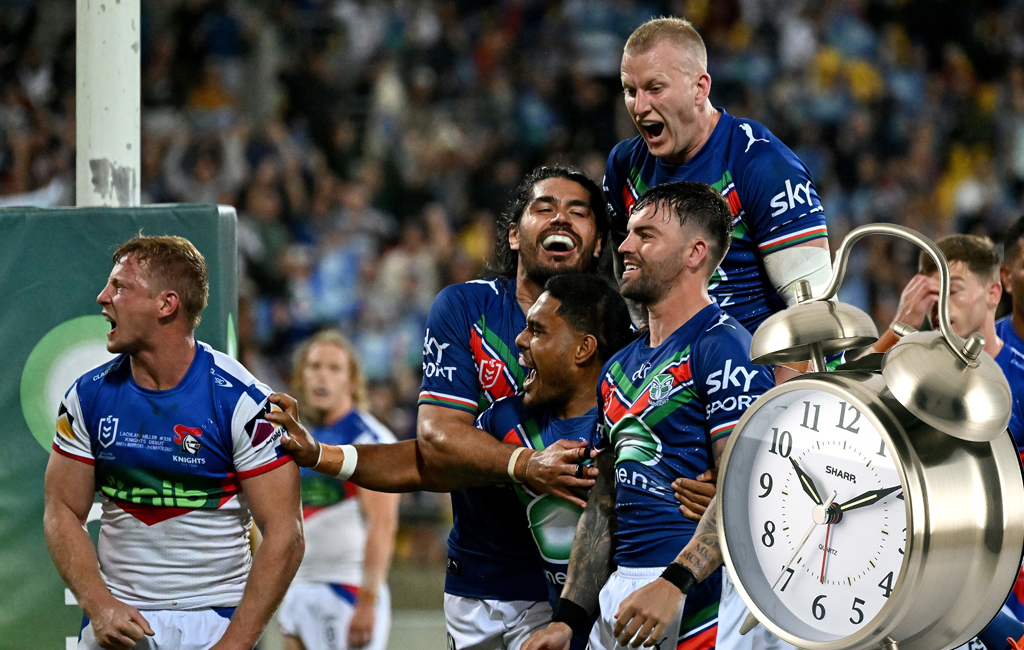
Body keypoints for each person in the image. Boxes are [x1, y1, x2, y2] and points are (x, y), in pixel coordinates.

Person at [268, 164, 610, 649]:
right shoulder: (471, 318)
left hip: (584, 588)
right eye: (544, 208)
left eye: (578, 212)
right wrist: (321, 453)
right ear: (513, 235)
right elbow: (430, 453)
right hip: (483, 581)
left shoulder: (626, 332)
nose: (560, 219)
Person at [523, 182, 775, 650]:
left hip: (698, 595)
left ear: (694, 253)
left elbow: (746, 486)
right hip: (623, 596)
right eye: (628, 233)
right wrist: (569, 619)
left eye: (646, 235)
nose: (624, 245)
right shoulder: (618, 366)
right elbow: (604, 502)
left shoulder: (723, 347)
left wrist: (674, 584)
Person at [44, 236, 303, 650]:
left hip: (216, 621)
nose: (102, 297)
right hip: (120, 620)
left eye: (120, 287)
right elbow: (61, 509)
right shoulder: (86, 396)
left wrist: (234, 645)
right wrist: (98, 605)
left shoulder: (242, 401)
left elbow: (285, 534)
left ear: (166, 305)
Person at [604, 17, 832, 335]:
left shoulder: (761, 164)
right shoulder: (624, 166)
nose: (640, 107)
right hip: (669, 372)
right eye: (631, 90)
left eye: (655, 88)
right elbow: (627, 274)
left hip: (757, 369)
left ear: (700, 89)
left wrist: (779, 384)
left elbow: (812, 306)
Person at [476, 274, 636, 649]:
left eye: (537, 330)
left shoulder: (630, 425)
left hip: (638, 626)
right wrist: (328, 456)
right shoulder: (507, 422)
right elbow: (427, 458)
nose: (520, 339)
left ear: (583, 349)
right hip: (559, 632)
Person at [276, 330, 400, 650]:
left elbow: (383, 524)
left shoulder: (371, 440)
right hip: (297, 586)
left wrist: (367, 602)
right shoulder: (292, 438)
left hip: (346, 589)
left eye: (334, 369)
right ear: (301, 374)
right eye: (315, 366)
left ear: (351, 379)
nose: (322, 377)